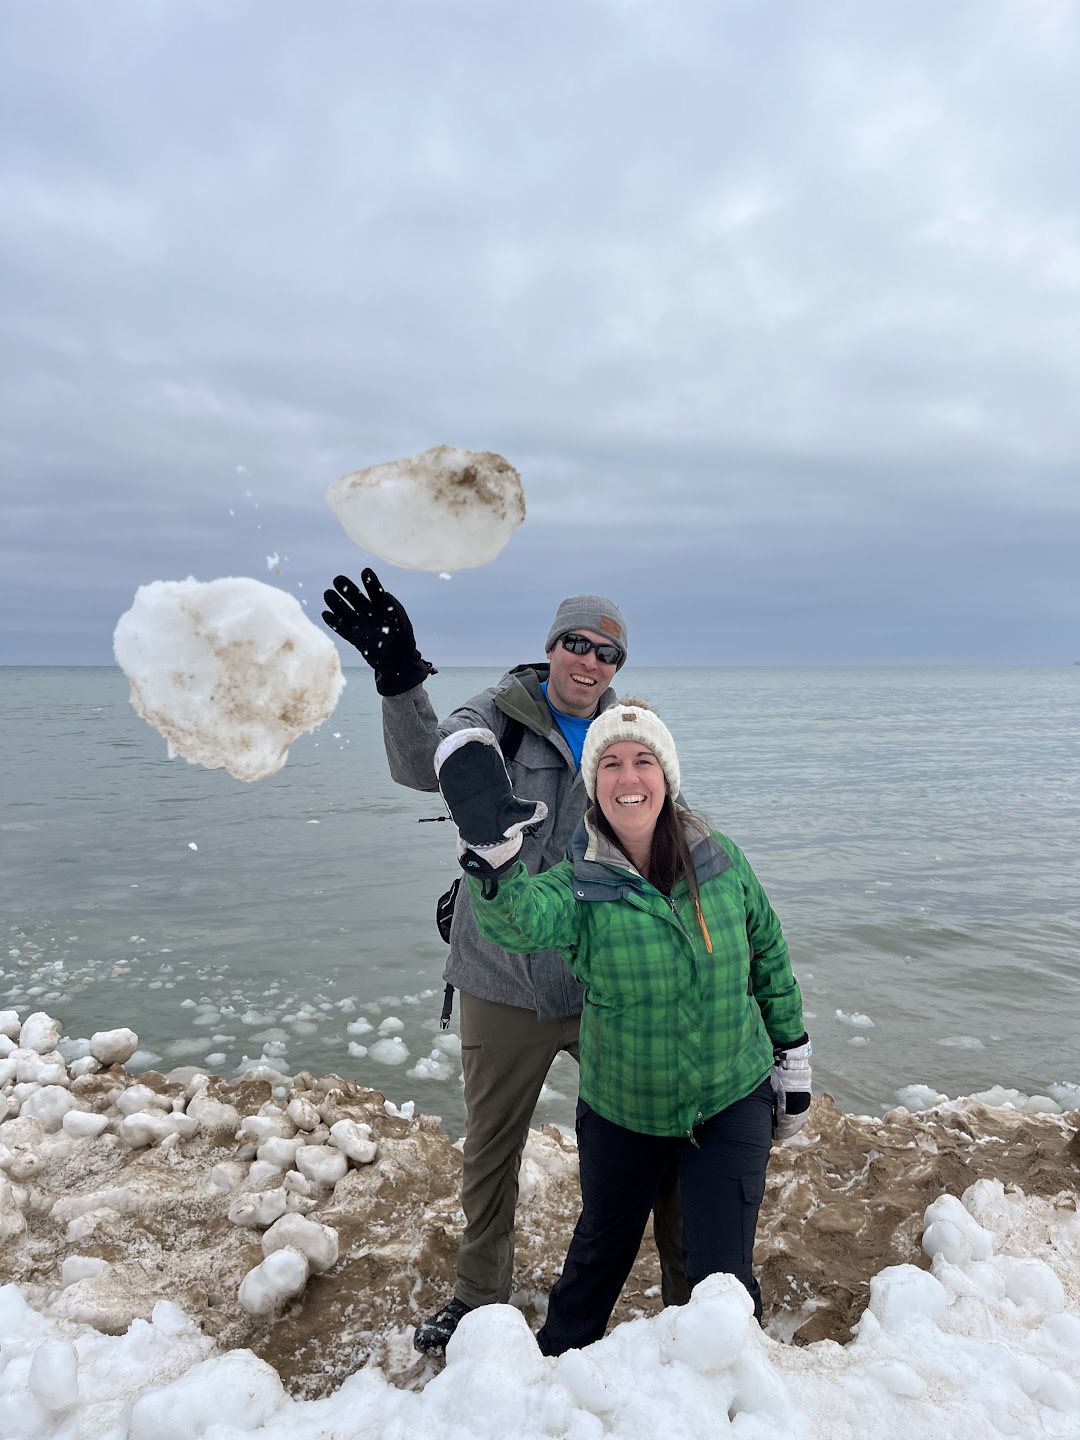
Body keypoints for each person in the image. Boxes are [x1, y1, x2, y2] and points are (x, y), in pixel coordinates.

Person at [321, 571, 687, 1352]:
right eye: (576, 644)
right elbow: (430, 762)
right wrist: (398, 680)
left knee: (657, 1131)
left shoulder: (631, 729)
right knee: (492, 1150)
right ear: (550, 647)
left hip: (603, 979)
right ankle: (478, 1296)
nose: (589, 661)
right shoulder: (493, 716)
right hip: (500, 977)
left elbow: (664, 833)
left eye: (607, 651)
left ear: (618, 665)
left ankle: (692, 1292)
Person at [434, 698, 811, 1354]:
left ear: (666, 776)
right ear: (594, 783)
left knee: (721, 1282)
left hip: (729, 1099)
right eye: (610, 763)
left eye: (643, 760)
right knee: (597, 1261)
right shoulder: (579, 884)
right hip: (621, 1110)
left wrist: (792, 1053)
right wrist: (494, 867)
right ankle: (552, 1378)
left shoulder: (720, 862)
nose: (628, 776)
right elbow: (520, 920)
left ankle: (719, 1388)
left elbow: (769, 956)